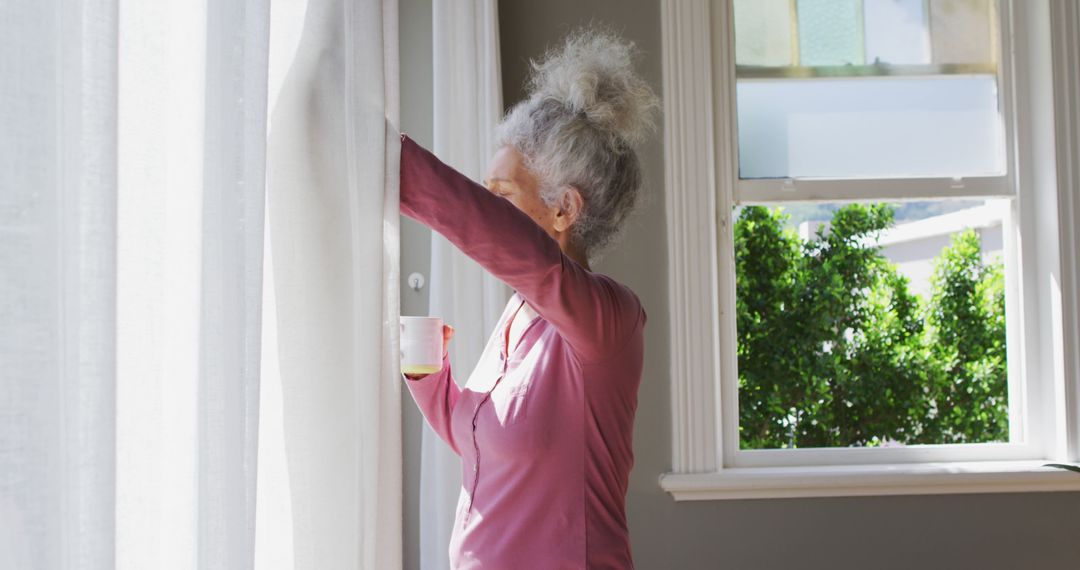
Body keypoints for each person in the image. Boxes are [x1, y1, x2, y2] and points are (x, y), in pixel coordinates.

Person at [398, 25, 659, 569]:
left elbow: (525, 255)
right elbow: (485, 444)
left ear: (563, 210)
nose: (489, 208)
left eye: (501, 197)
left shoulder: (611, 321)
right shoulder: (521, 312)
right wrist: (429, 374)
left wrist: (389, 164)